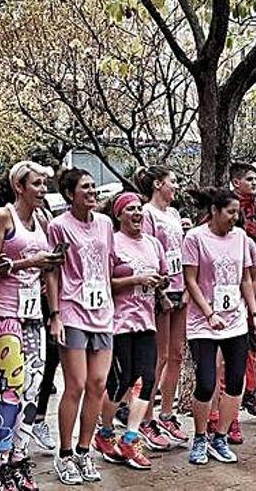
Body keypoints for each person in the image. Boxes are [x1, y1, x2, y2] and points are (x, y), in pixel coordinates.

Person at [0, 160, 62, 490]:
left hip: (35, 312)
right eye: (37, 183)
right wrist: (27, 262)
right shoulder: (4, 216)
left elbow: (49, 271)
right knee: (12, 384)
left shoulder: (44, 218)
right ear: (19, 186)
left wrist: (55, 311)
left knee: (34, 387)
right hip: (5, 311)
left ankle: (20, 457)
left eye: (45, 184)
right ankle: (0, 459)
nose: (43, 189)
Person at [183, 188, 256, 465]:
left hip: (236, 321)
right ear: (215, 212)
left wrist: (254, 314)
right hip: (203, 323)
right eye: (230, 212)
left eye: (237, 213)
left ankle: (221, 436)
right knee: (206, 383)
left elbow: (245, 280)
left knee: (234, 381)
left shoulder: (241, 238)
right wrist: (208, 314)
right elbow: (190, 280)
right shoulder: (195, 237)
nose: (235, 218)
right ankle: (200, 437)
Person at [46, 168, 115, 485]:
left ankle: (85, 451)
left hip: (103, 311)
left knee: (98, 384)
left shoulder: (105, 224)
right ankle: (65, 452)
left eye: (93, 187)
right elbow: (53, 271)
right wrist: (55, 313)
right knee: (75, 383)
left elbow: (111, 262)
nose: (92, 192)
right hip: (73, 311)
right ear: (70, 193)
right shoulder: (58, 226)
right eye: (85, 187)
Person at [94, 192, 167, 470]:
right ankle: (104, 432)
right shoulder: (111, 242)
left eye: (140, 209)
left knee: (147, 379)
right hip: (118, 322)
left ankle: (130, 437)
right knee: (121, 381)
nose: (138, 214)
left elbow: (163, 275)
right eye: (131, 210)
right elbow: (103, 281)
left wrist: (159, 284)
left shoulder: (152, 243)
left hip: (146, 320)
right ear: (119, 214)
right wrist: (135, 278)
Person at [134, 166, 189, 447]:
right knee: (161, 355)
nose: (176, 187)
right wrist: (159, 293)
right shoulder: (147, 214)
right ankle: (146, 417)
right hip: (161, 291)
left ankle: (168, 412)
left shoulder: (175, 214)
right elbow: (148, 251)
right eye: (173, 181)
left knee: (177, 353)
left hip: (180, 286)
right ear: (157, 184)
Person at [228, 163, 256, 431]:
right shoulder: (225, 210)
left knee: (255, 341)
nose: (254, 184)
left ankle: (252, 388)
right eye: (250, 179)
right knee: (234, 344)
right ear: (235, 182)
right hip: (229, 289)